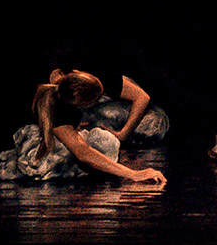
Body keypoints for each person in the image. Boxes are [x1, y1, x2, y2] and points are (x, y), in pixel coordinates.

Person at [30, 65, 166, 184]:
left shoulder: (89, 72)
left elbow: (142, 97)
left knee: (155, 121)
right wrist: (134, 174)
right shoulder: (56, 110)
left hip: (104, 111)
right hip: (57, 122)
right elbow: (82, 152)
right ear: (81, 106)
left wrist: (123, 134)